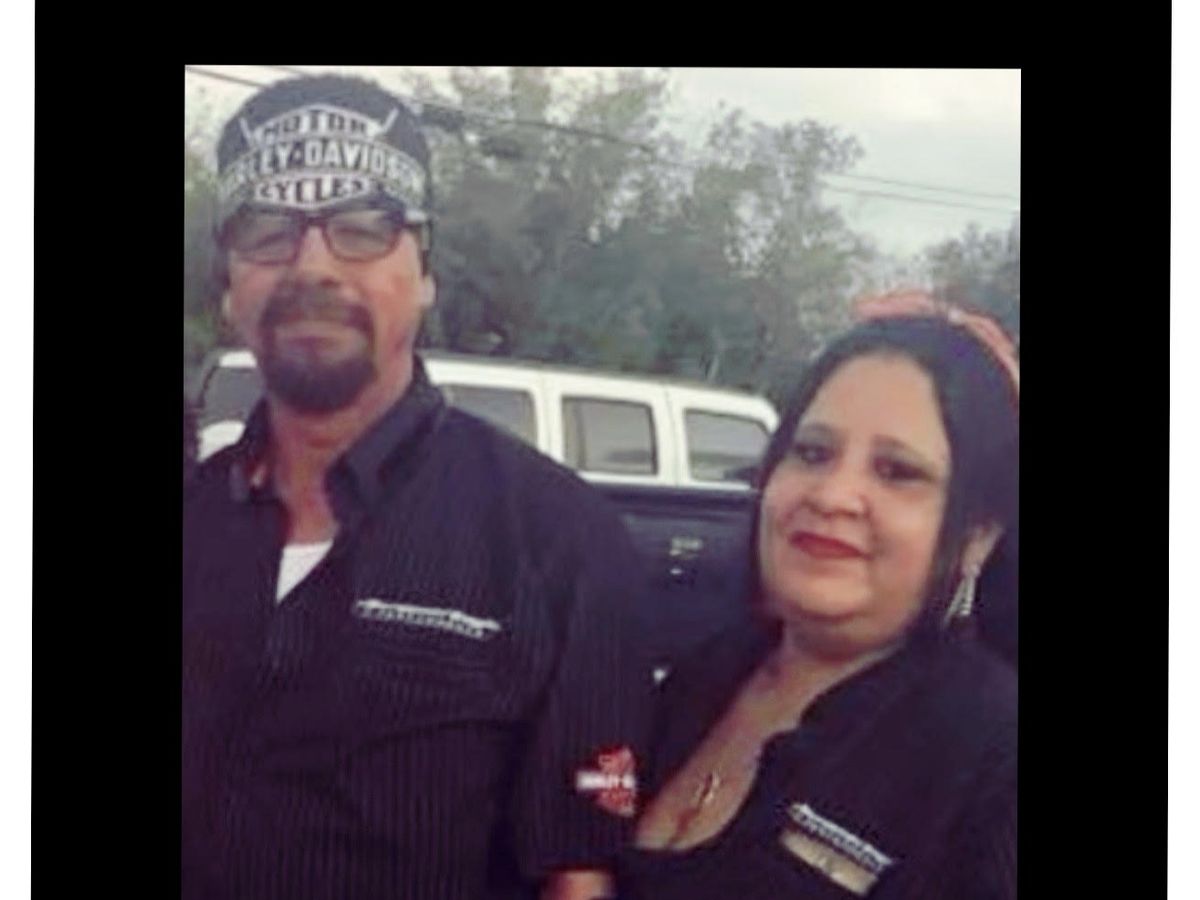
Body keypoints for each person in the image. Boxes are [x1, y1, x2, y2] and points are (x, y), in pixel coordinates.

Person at [182, 74, 653, 900]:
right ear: (229, 287)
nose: (313, 266)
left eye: (363, 229)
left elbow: (576, 876)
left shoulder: (559, 540)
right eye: (268, 232)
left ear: (425, 273)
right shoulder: (195, 516)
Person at [616, 300, 1019, 899]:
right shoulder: (704, 675)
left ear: (977, 536)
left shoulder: (992, 763)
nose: (832, 495)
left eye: (896, 471)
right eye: (812, 453)